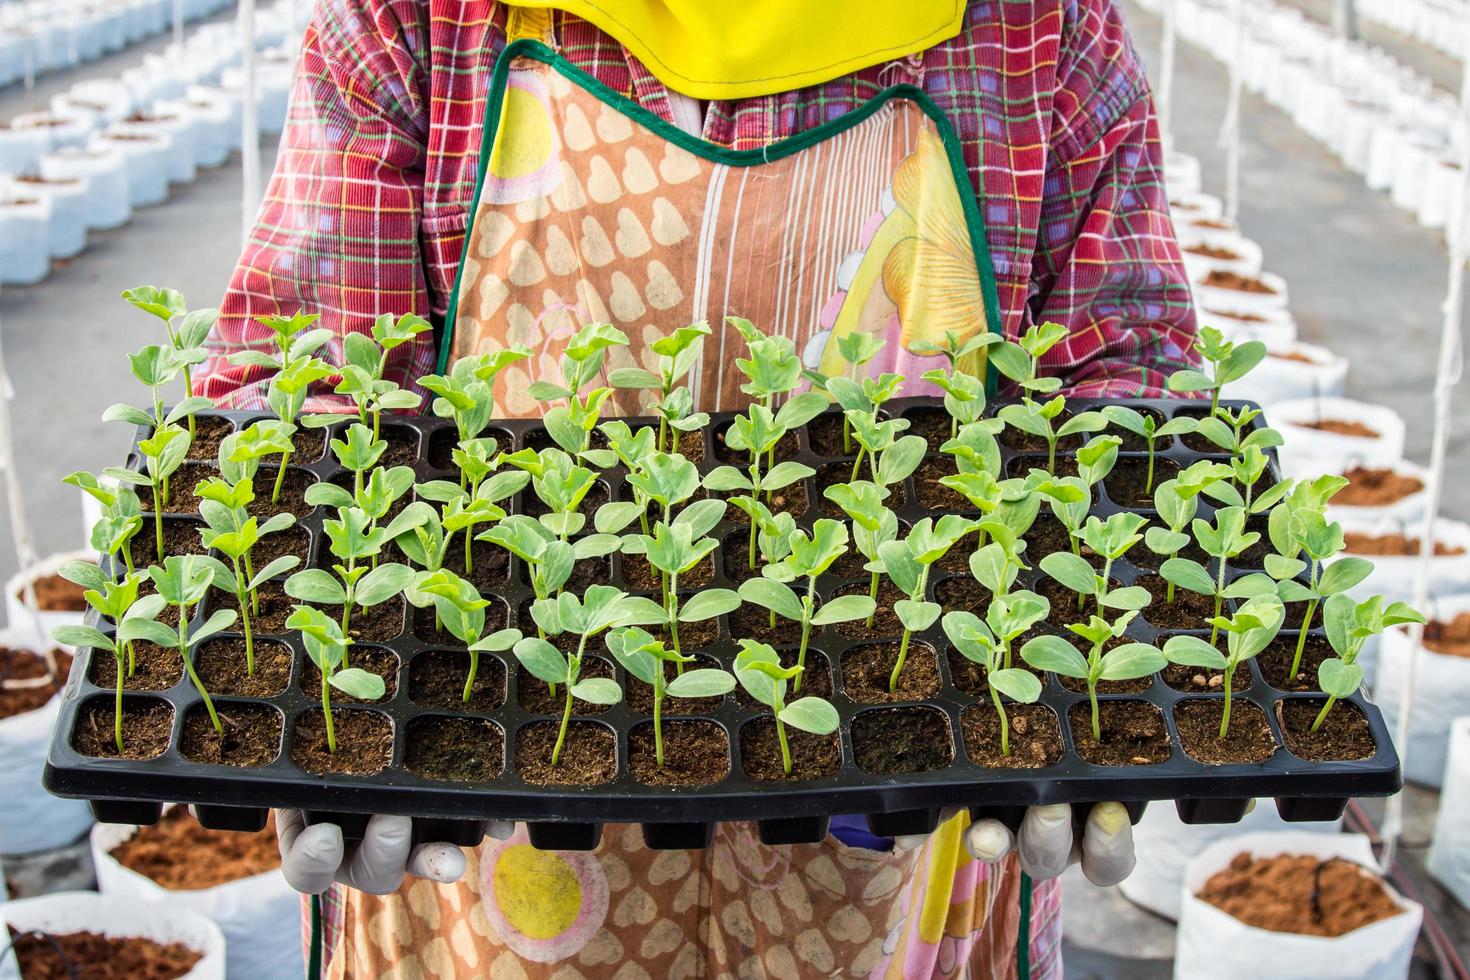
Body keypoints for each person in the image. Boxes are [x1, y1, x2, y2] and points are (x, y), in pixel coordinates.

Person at [201, 1, 1197, 975]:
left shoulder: (1039, 32)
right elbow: (313, 386)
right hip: (488, 802)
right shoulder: (417, 22)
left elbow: (1128, 381)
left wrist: (1089, 685)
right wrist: (304, 684)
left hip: (910, 806)